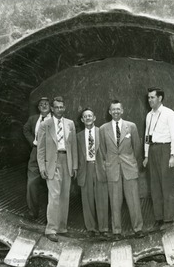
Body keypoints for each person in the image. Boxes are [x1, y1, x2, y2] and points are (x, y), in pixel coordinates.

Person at [100, 100, 144, 240]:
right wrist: (107, 165)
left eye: (118, 109)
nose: (116, 112)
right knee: (115, 201)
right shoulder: (103, 129)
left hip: (129, 167)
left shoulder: (131, 127)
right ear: (109, 112)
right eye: (113, 109)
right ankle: (117, 231)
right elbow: (102, 150)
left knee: (134, 200)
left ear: (122, 111)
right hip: (112, 168)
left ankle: (138, 228)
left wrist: (131, 162)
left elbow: (137, 147)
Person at [37, 96, 78, 242]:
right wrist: (42, 167)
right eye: (57, 107)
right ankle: (51, 229)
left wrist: (74, 166)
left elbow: (73, 146)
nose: (60, 110)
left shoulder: (70, 124)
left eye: (62, 107)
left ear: (64, 108)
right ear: (52, 109)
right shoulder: (45, 125)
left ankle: (62, 227)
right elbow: (40, 149)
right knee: (54, 196)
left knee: (64, 196)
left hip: (66, 161)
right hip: (52, 163)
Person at [142, 87, 174, 229]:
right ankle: (158, 218)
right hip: (152, 150)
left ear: (160, 98)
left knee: (166, 186)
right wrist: (146, 155)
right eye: (148, 98)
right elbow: (147, 136)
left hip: (165, 149)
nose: (150, 100)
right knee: (155, 186)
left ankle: (168, 219)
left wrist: (173, 155)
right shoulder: (149, 115)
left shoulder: (169, 114)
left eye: (152, 97)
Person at [77, 108, 109, 238]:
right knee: (87, 199)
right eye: (85, 116)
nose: (88, 118)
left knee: (102, 198)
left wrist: (107, 167)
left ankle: (104, 228)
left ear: (94, 118)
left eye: (90, 115)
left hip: (100, 167)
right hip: (85, 169)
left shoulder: (102, 132)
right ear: (82, 120)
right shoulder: (78, 136)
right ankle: (90, 228)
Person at [23, 97, 51, 218]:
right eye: (41, 104)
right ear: (38, 107)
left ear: (50, 107)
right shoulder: (33, 119)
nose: (44, 106)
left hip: (50, 153)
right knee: (32, 183)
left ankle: (51, 216)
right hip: (35, 153)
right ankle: (32, 212)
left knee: (51, 184)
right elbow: (25, 129)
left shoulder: (55, 119)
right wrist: (33, 142)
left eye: (46, 104)